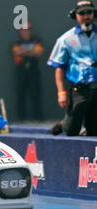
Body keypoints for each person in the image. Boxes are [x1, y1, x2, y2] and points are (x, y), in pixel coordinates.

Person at [47, 1, 97, 136]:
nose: (86, 16)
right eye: (82, 13)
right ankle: (65, 124)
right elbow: (59, 67)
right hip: (80, 89)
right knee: (71, 130)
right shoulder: (66, 39)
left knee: (95, 130)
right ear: (76, 16)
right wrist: (61, 92)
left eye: (89, 13)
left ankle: (88, 126)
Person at [13, 22, 44, 122]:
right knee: (20, 94)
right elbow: (16, 52)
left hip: (34, 70)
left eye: (29, 29)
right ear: (21, 31)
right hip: (21, 71)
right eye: (25, 29)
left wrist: (24, 52)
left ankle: (37, 117)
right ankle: (21, 118)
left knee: (35, 94)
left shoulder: (36, 40)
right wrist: (31, 51)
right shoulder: (18, 41)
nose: (27, 32)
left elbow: (39, 52)